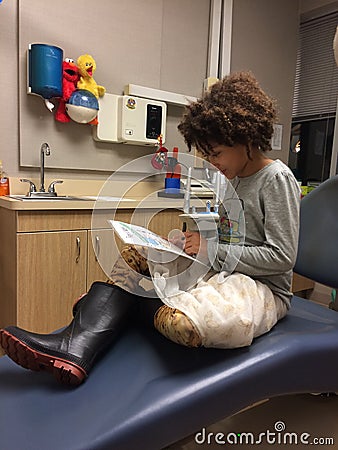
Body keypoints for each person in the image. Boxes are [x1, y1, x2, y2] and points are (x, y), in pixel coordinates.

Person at [0, 72, 301, 386]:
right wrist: (191, 242)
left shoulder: (276, 179)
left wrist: (213, 249)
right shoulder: (234, 180)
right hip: (225, 272)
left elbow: (281, 258)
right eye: (207, 154)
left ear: (246, 137)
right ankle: (76, 344)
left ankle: (110, 308)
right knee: (141, 254)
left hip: (263, 287)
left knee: (186, 325)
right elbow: (231, 237)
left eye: (216, 153)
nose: (212, 163)